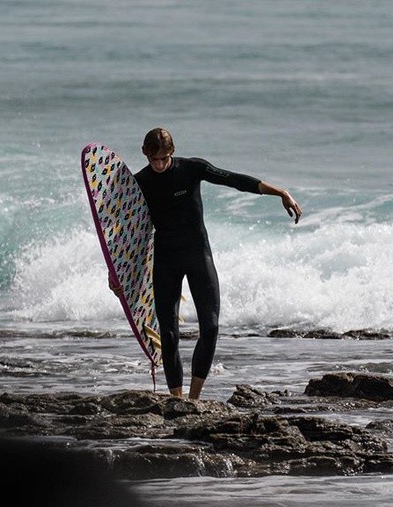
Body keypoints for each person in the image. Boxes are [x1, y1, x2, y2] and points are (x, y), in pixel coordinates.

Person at [112, 127, 302, 400]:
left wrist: (280, 192)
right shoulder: (139, 182)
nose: (160, 164)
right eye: (154, 160)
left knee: (210, 328)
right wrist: (115, 271)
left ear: (172, 152)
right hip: (166, 259)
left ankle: (194, 399)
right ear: (145, 154)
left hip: (198, 254)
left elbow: (235, 180)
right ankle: (176, 401)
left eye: (165, 158)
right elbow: (126, 231)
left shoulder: (191, 169)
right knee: (168, 334)